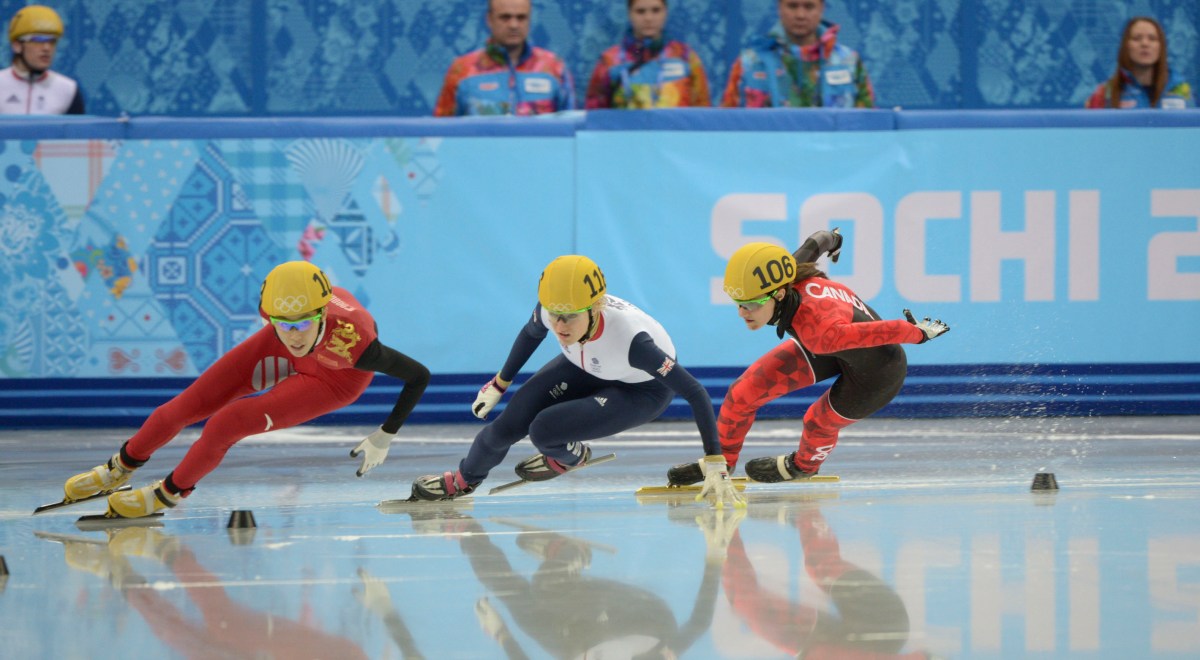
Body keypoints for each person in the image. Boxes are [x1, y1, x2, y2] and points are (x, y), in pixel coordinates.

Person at [59, 261, 431, 519]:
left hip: (334, 377)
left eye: (303, 323)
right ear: (268, 315)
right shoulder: (284, 328)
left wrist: (386, 433)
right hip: (293, 350)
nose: (293, 334)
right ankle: (120, 466)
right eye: (281, 323)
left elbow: (419, 376)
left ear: (321, 315)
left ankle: (169, 493)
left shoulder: (357, 343)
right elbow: (288, 327)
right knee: (186, 405)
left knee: (227, 422)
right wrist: (285, 330)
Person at [410, 254, 742, 507]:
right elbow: (530, 334)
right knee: (502, 429)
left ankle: (570, 456)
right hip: (585, 365)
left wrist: (716, 462)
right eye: (555, 315)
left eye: (570, 316)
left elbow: (696, 393)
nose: (560, 325)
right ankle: (465, 480)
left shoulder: (634, 342)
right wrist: (499, 383)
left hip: (642, 391)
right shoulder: (552, 307)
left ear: (595, 307)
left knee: (544, 429)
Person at [669, 231, 949, 486]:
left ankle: (803, 466)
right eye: (739, 304)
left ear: (778, 294)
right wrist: (834, 240)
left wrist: (919, 333)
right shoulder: (787, 272)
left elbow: (883, 331)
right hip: (840, 344)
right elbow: (818, 241)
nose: (743, 312)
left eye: (752, 304)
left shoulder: (819, 333)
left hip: (878, 372)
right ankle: (722, 463)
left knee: (818, 421)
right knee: (743, 392)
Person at [433, 0, 574, 117]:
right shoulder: (462, 69)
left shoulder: (554, 67)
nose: (514, 25)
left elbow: (572, 131)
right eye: (505, 17)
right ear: (489, 20)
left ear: (530, 20)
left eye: (521, 17)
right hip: (481, 151)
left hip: (540, 151)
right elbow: (440, 131)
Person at [721, 0, 873, 108]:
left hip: (833, 152)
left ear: (822, 8)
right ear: (779, 7)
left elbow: (868, 127)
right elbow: (726, 124)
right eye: (792, 6)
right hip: (769, 152)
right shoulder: (750, 63)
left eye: (809, 6)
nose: (800, 15)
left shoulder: (848, 62)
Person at [584, 0, 711, 109]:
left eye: (656, 10)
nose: (648, 18)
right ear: (629, 14)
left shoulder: (685, 56)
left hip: (676, 137)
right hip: (626, 137)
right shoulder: (610, 61)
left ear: (665, 12)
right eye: (640, 11)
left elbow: (702, 111)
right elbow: (596, 115)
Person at [1085, 17, 1193, 109]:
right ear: (1126, 47)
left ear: (1161, 47)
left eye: (1152, 38)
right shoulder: (1105, 93)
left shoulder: (1181, 89)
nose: (1145, 44)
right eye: (1137, 38)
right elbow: (1089, 132)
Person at [1, 4, 84, 115]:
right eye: (38, 40)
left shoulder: (68, 90)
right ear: (17, 45)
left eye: (52, 41)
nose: (47, 48)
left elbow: (77, 132)